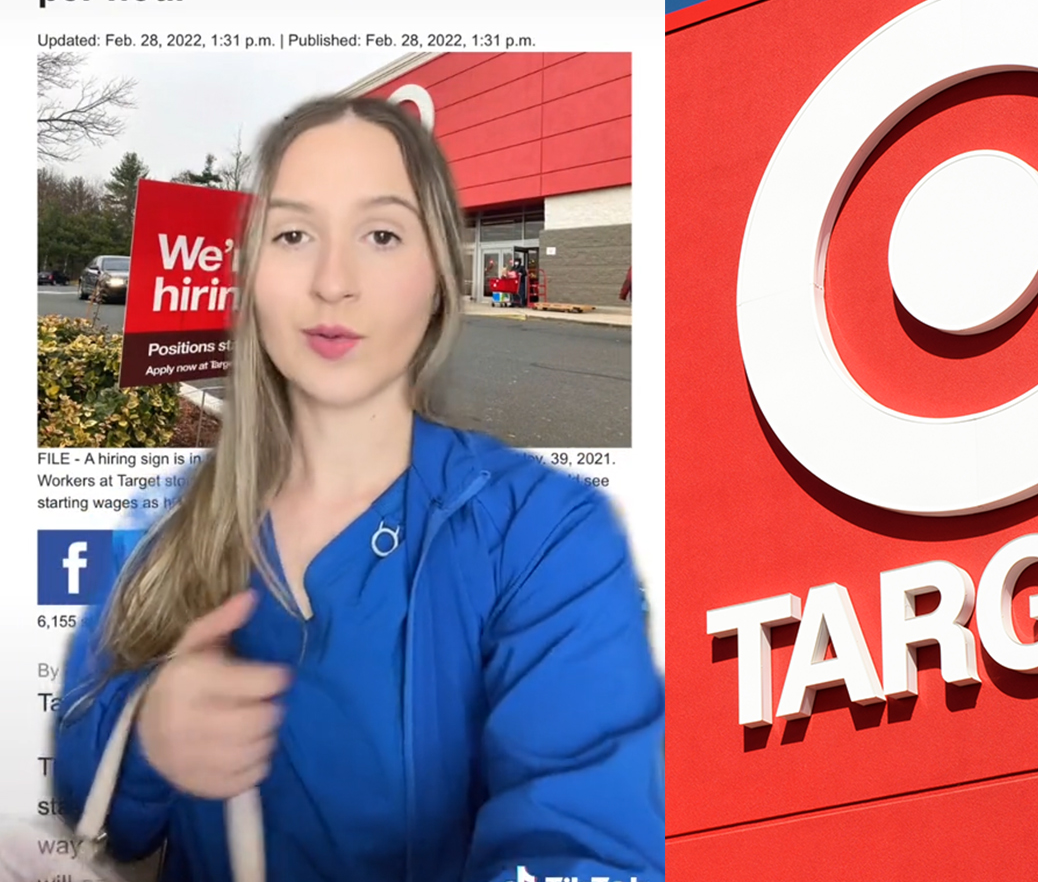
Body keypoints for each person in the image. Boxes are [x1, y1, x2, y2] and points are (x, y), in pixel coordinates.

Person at [52, 96, 666, 882]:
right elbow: (85, 789)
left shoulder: (544, 535)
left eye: (381, 235)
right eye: (295, 235)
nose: (332, 282)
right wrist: (147, 735)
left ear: (440, 278)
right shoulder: (170, 516)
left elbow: (592, 834)